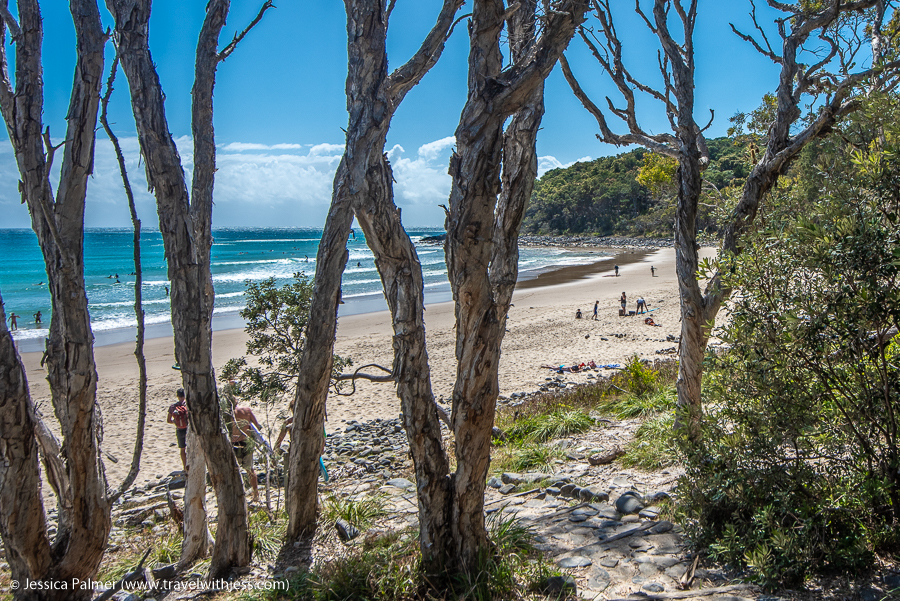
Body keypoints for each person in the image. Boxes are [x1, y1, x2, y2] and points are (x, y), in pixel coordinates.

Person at [229, 403, 263, 502]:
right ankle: (256, 494)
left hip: (235, 443)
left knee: (234, 470)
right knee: (250, 469)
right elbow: (257, 426)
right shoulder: (247, 410)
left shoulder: (228, 413)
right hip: (247, 441)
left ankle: (236, 495)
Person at [167, 388, 189, 472]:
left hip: (179, 430)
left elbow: (168, 420)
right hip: (188, 429)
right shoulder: (188, 405)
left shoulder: (173, 407)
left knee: (182, 449)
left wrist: (176, 422)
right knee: (191, 448)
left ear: (177, 396)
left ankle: (185, 467)